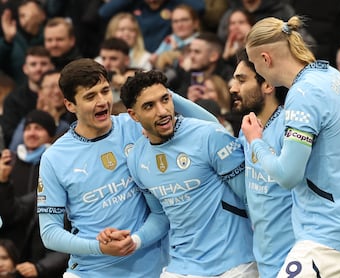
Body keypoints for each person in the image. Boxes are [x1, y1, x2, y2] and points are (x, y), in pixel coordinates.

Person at [36, 58, 217, 277]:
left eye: (105, 91)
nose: (102, 101)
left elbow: (212, 127)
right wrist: (98, 247)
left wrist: (159, 92)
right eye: (90, 96)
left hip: (153, 267)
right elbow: (49, 233)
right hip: (89, 271)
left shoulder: (135, 126)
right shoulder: (54, 157)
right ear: (70, 105)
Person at [243, 16, 340, 277]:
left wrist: (256, 141)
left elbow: (288, 176)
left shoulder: (303, 95)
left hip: (327, 242)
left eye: (255, 65)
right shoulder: (332, 75)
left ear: (266, 59)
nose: (258, 73)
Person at [114, 69, 257, 277]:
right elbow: (160, 216)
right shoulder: (136, 158)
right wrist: (135, 240)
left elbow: (250, 196)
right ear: (133, 115)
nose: (162, 111)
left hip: (234, 263)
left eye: (165, 99)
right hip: (181, 266)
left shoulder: (208, 135)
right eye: (149, 106)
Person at [229, 48, 293, 277]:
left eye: (241, 80)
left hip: (297, 256)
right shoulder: (247, 130)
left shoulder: (290, 125)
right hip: (264, 258)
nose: (232, 88)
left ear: (267, 85)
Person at [0, 109, 68, 278]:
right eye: (28, 128)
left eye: (38, 128)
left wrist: (40, 267)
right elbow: (13, 212)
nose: (32, 133)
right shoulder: (10, 163)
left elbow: (71, 244)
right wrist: (3, 182)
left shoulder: (54, 166)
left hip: (47, 261)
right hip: (19, 252)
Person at [1, 46, 54, 147]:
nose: (39, 68)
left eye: (43, 64)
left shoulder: (59, 95)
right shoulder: (13, 99)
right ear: (25, 69)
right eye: (33, 64)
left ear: (51, 66)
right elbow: (9, 134)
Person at [0, 0, 46, 82]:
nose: (27, 19)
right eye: (22, 15)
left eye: (32, 15)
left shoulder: (51, 35)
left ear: (42, 15)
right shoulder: (13, 39)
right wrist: (7, 40)